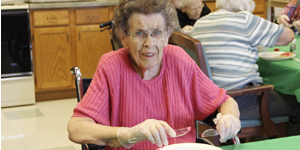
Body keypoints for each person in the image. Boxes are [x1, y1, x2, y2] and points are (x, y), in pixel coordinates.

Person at [67, 0, 241, 149]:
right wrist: (128, 134)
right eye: (139, 33)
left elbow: (225, 101)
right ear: (123, 38)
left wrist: (230, 117)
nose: (149, 43)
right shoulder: (111, 66)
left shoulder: (180, 60)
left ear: (167, 36)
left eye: (157, 33)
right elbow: (76, 128)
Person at [190, 0, 300, 136]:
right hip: (238, 100)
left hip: (205, 102)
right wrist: (285, 25)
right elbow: (288, 36)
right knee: (297, 105)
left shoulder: (200, 22)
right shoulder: (245, 19)